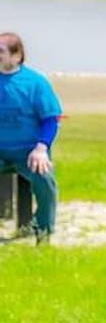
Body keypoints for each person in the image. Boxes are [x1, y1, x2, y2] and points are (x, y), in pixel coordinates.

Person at [0, 32, 61, 244]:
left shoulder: (35, 83)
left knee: (45, 181)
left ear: (17, 56)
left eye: (1, 51)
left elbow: (50, 120)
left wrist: (42, 148)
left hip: (28, 152)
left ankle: (43, 231)